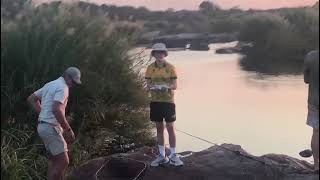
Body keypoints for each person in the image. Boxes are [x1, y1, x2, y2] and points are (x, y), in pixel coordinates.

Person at [27, 67, 82, 180]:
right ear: (66, 76)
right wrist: (68, 129)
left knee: (54, 161)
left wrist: (43, 113)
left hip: (43, 126)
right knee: (63, 161)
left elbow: (31, 98)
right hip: (50, 127)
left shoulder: (50, 84)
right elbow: (57, 109)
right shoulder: (63, 87)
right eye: (72, 81)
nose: (72, 85)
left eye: (75, 84)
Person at [145, 43, 183, 167]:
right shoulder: (150, 68)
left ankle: (173, 155)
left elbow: (175, 86)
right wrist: (154, 87)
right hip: (155, 101)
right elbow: (148, 84)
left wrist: (166, 87)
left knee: (170, 128)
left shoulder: (171, 67)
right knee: (159, 128)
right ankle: (162, 155)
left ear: (165, 53)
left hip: (168, 102)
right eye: (157, 52)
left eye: (162, 52)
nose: (159, 54)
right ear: (154, 54)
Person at [301, 50, 319, 173]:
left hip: (314, 101)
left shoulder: (311, 56)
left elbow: (306, 80)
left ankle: (317, 165)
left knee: (316, 132)